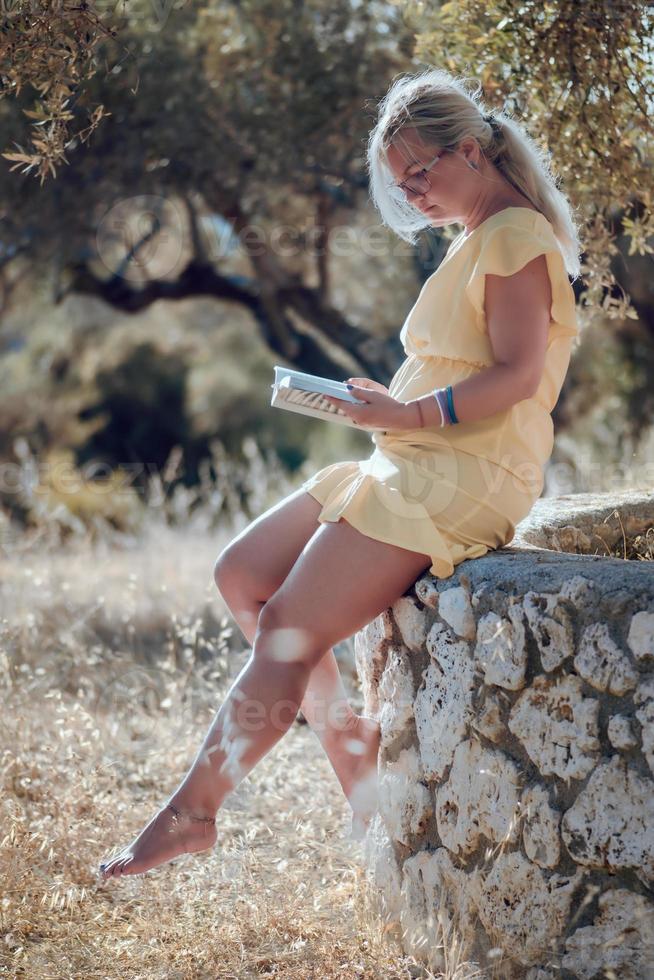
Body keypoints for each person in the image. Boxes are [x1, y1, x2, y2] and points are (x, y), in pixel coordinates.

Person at [99, 67, 582, 879]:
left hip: (460, 478)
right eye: (402, 185)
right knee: (242, 574)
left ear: (471, 149)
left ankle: (192, 814)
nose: (415, 194)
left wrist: (405, 415)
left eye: (422, 174)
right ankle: (348, 745)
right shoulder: (477, 238)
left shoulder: (515, 238)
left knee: (287, 622)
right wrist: (378, 410)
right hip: (409, 458)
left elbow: (518, 376)